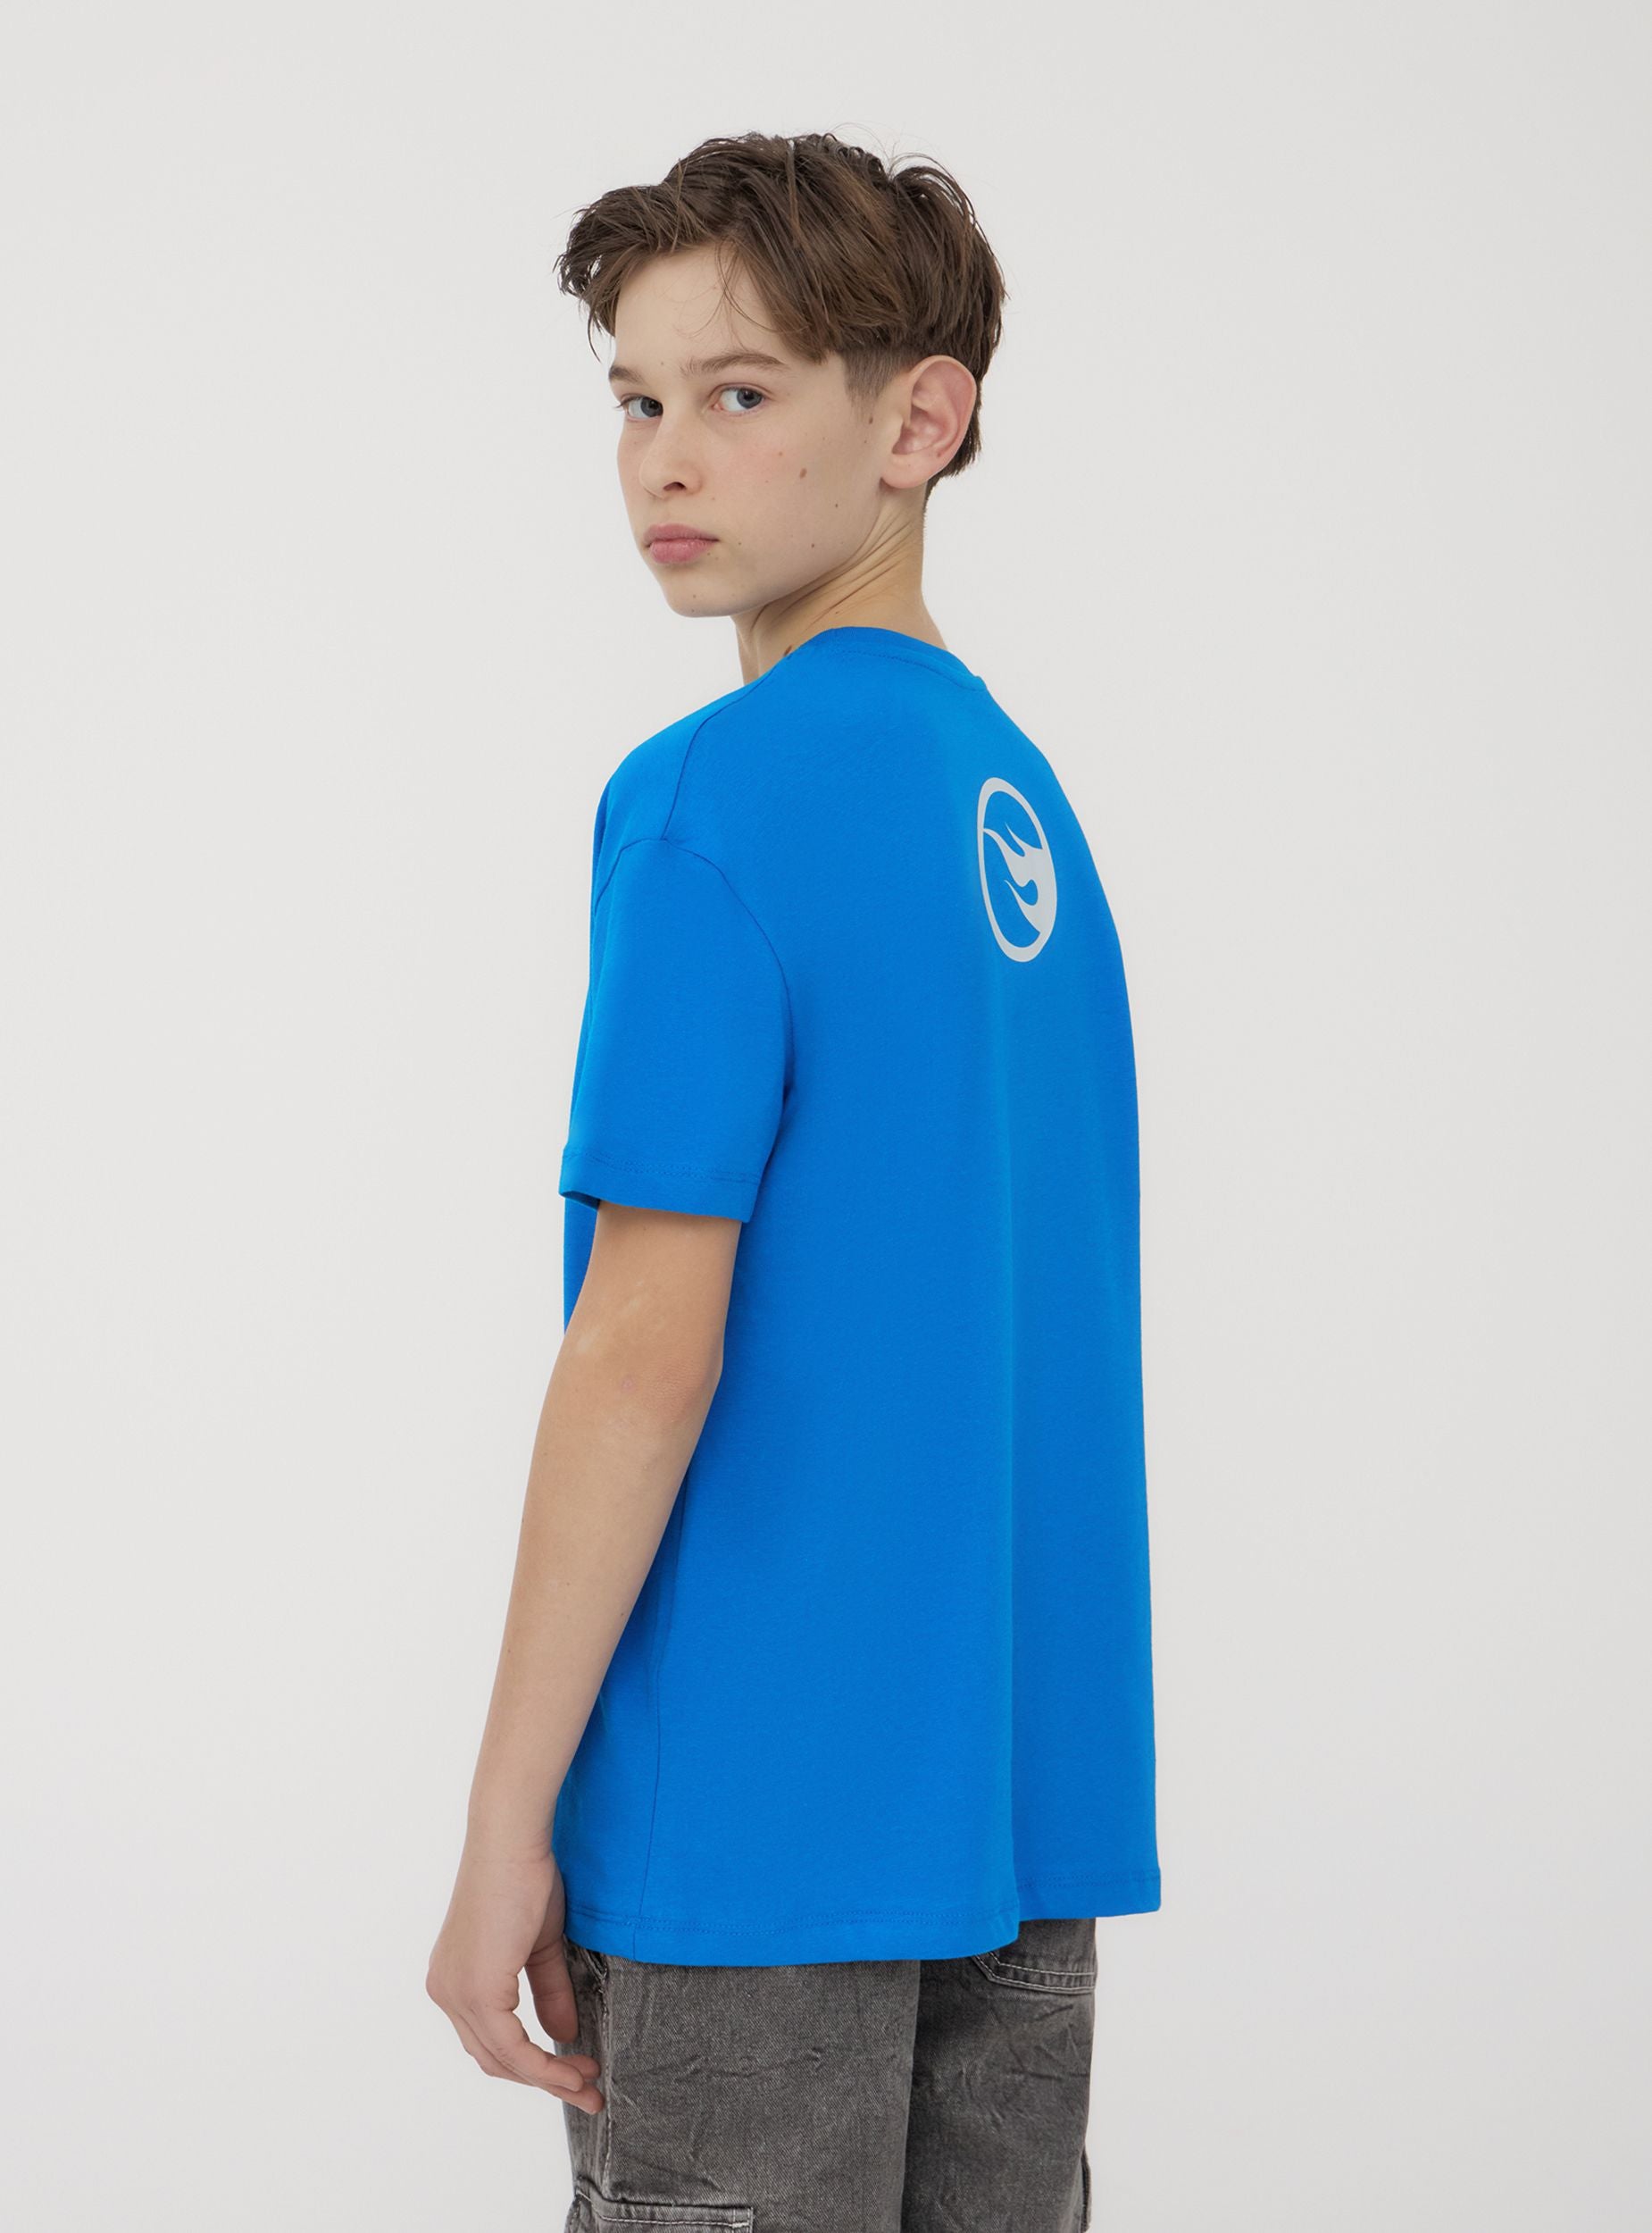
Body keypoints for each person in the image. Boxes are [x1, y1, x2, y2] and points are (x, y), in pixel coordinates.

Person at [426, 130, 1160, 2232]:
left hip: (754, 1830)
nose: (665, 458)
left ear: (917, 420)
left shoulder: (710, 801)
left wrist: (502, 1826)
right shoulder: (1025, 809)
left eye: (738, 392)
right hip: (1010, 1805)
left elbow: (642, 1348)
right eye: (636, 400)